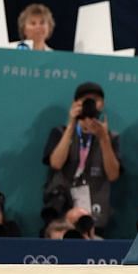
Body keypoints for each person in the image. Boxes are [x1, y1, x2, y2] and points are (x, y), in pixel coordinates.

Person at [42, 81, 123, 230]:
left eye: (95, 100)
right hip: (61, 213)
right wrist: (72, 124)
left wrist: (103, 138)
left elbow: (113, 175)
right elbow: (56, 163)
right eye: (86, 100)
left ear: (102, 104)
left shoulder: (111, 137)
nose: (90, 104)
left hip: (95, 214)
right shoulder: (60, 132)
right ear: (75, 103)